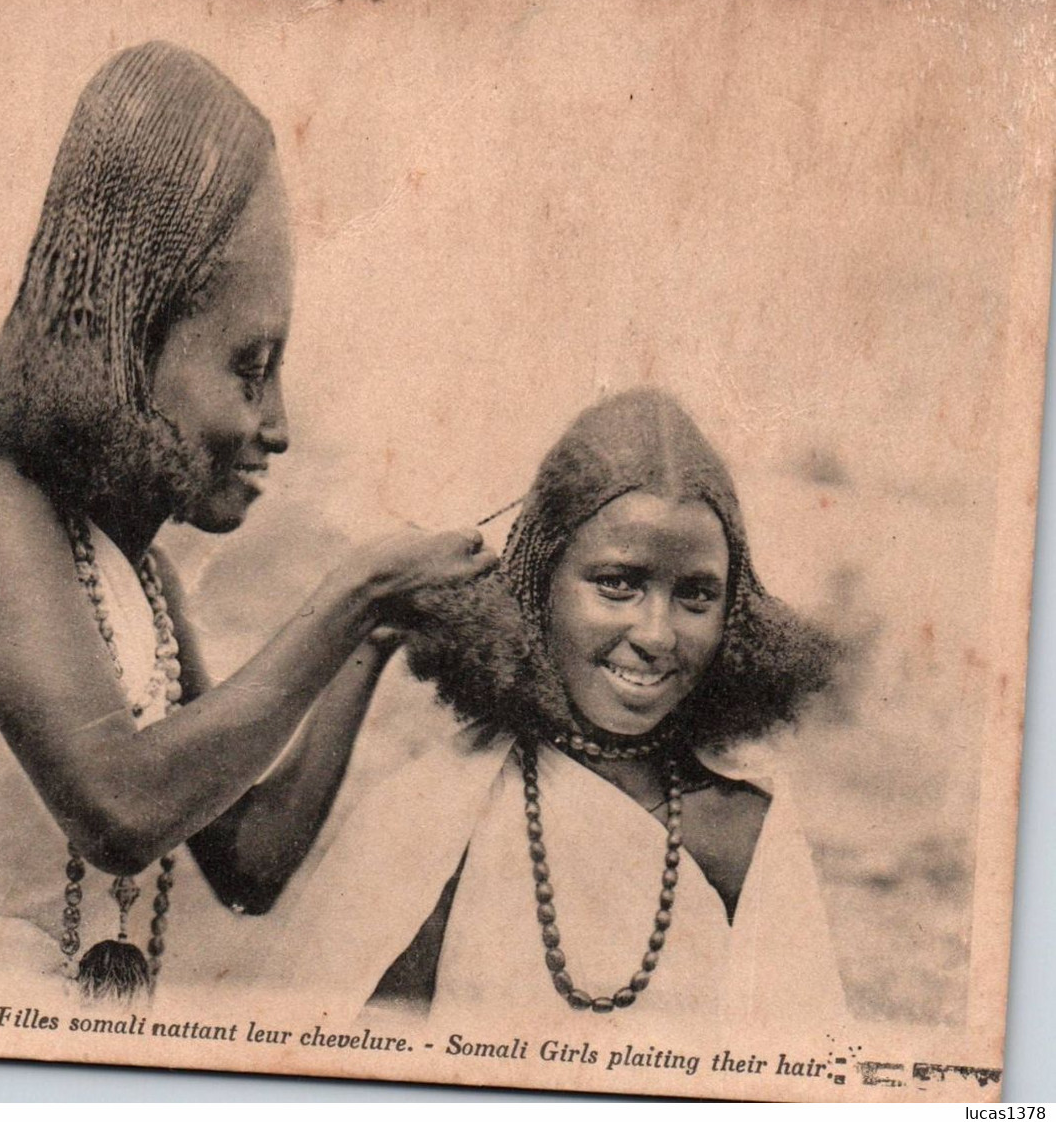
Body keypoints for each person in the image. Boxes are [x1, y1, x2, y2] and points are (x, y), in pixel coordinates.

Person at [0, 41, 493, 1015]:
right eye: (250, 368)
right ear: (131, 338)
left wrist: (370, 640)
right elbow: (123, 807)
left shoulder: (142, 584)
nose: (276, 425)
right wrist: (352, 592)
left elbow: (249, 858)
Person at [256, 387, 849, 1028]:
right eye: (617, 584)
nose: (656, 634)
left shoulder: (746, 833)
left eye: (696, 595)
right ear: (540, 586)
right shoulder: (436, 817)